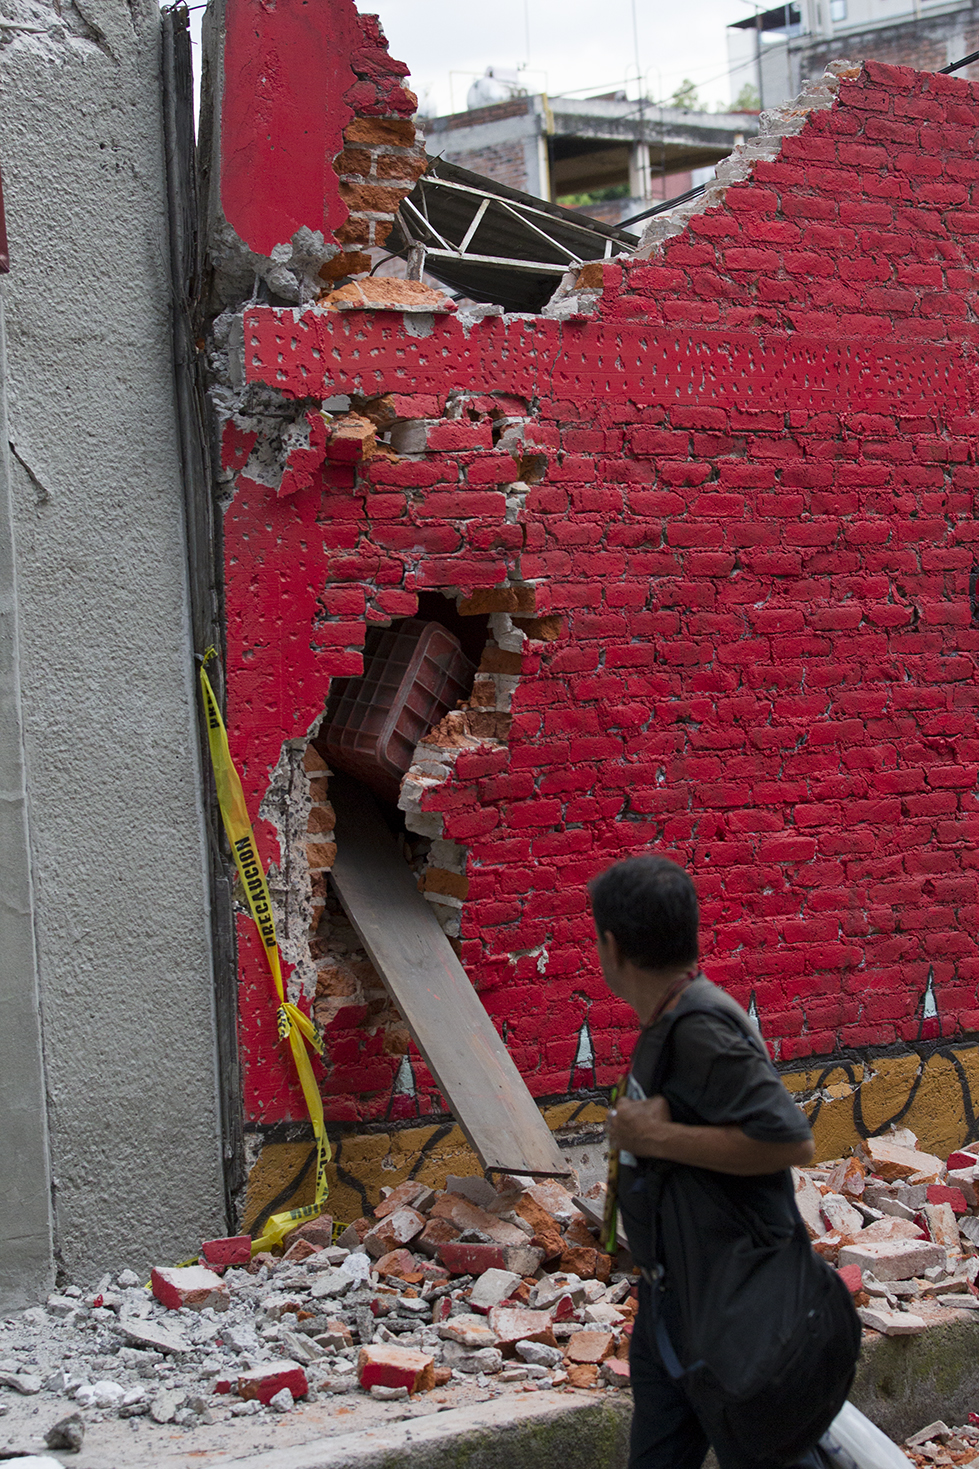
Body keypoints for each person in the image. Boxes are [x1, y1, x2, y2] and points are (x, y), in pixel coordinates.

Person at [590, 853, 831, 1469]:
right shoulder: (670, 1016)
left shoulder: (703, 1028)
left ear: (612, 947)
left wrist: (657, 1140)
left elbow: (789, 1139)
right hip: (676, 1303)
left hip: (730, 1306)